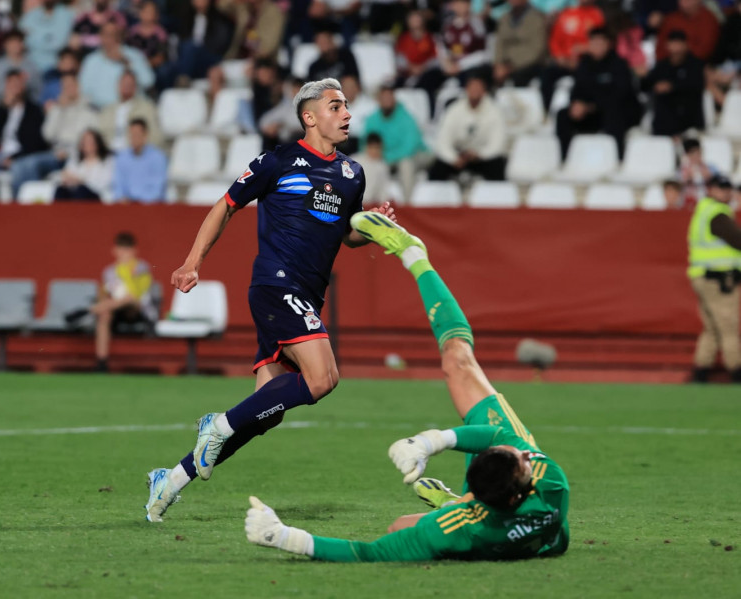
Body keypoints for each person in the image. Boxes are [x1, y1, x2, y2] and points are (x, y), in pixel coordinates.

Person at [245, 212, 570, 561]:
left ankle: (452, 500)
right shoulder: (548, 482)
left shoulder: (465, 529)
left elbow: (369, 553)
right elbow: (497, 439)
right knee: (458, 360)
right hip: (529, 529)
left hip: (481, 514)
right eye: (521, 457)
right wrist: (432, 442)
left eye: (519, 459)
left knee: (400, 528)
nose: (525, 453)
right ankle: (413, 252)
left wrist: (283, 536)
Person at [145, 78, 393, 523]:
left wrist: (372, 227)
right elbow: (225, 205)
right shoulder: (277, 161)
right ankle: (215, 425)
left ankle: (170, 479)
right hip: (277, 286)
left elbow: (345, 234)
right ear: (309, 116)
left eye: (347, 106)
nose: (347, 114)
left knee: (263, 413)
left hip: (307, 298)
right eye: (336, 106)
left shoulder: (352, 174)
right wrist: (191, 262)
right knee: (323, 379)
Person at [65, 231, 158, 371]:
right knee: (104, 315)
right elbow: (105, 293)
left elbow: (136, 294)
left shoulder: (141, 268)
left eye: (127, 250)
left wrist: (126, 269)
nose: (123, 253)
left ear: (134, 250)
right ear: (114, 250)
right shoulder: (109, 272)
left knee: (128, 298)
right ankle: (101, 362)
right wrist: (104, 301)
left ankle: (87, 311)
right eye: (121, 249)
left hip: (138, 309)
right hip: (116, 308)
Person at [687, 175, 741, 383]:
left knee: (711, 328)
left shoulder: (704, 210)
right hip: (718, 279)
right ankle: (736, 370)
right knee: (728, 327)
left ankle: (701, 371)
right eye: (722, 188)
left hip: (704, 276)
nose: (726, 193)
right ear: (711, 189)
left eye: (728, 189)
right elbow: (737, 240)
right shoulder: (717, 214)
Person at [555, 28, 640, 159]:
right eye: (593, 42)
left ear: (609, 44)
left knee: (614, 114)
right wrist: (577, 104)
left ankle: (617, 158)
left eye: (600, 43)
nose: (597, 46)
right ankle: (564, 157)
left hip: (618, 111)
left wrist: (591, 106)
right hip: (592, 113)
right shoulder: (585, 64)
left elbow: (621, 94)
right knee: (563, 115)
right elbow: (578, 89)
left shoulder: (619, 64)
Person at [11, 72, 97, 192]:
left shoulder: (88, 112)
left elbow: (88, 140)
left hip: (74, 156)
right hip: (54, 154)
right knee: (18, 165)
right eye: (64, 86)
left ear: (78, 86)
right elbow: (47, 135)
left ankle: (30, 206)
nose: (67, 89)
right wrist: (59, 110)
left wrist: (69, 151)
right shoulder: (58, 109)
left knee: (31, 165)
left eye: (70, 85)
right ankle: (19, 204)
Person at [430, 74, 506, 182]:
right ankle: (435, 197)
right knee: (437, 168)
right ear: (466, 90)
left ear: (484, 91)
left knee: (497, 166)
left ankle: (497, 197)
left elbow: (497, 143)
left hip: (482, 157)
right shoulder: (454, 110)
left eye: (478, 88)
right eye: (472, 88)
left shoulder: (494, 112)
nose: (475, 91)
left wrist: (480, 155)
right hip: (459, 155)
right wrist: (453, 158)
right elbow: (443, 140)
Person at [361, 84, 429, 202]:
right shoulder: (372, 120)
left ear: (394, 99)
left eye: (389, 98)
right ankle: (368, 202)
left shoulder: (406, 117)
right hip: (384, 157)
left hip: (415, 155)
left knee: (406, 164)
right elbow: (365, 143)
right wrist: (377, 156)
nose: (387, 101)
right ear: (379, 100)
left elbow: (409, 147)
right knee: (366, 162)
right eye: (384, 98)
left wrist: (385, 157)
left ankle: (407, 206)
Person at [540, 0, 605, 110]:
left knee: (585, 77)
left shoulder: (597, 15)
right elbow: (555, 40)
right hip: (564, 60)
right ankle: (546, 110)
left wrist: (583, 50)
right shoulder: (567, 13)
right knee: (547, 75)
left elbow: (601, 42)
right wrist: (559, 56)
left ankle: (578, 109)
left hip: (585, 61)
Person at [78, 20, 154, 108]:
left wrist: (127, 63)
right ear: (100, 36)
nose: (108, 38)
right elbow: (83, 90)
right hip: (99, 110)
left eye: (112, 35)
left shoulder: (134, 55)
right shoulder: (91, 60)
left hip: (130, 109)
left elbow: (148, 81)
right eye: (105, 34)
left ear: (119, 36)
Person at [644, 30, 705, 138]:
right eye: (673, 43)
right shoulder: (662, 66)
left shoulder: (695, 65)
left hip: (689, 119)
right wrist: (654, 84)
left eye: (679, 44)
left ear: (686, 45)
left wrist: (672, 86)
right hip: (664, 121)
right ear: (667, 45)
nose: (676, 48)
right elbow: (646, 84)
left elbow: (696, 85)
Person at [97, 69, 163, 152]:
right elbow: (99, 136)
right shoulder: (107, 110)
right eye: (124, 83)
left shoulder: (147, 108)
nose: (126, 86)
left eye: (129, 84)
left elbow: (156, 136)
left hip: (136, 154)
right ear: (118, 85)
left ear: (135, 87)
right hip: (109, 154)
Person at [492, 0, 548, 88]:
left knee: (520, 77)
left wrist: (510, 67)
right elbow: (499, 44)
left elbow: (537, 50)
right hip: (505, 64)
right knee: (483, 74)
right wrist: (498, 64)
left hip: (529, 64)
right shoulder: (504, 18)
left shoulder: (537, 18)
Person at [111, 118, 167, 203]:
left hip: (150, 206)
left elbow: (157, 190)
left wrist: (139, 201)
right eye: (132, 135)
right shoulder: (122, 157)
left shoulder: (158, 158)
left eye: (137, 135)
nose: (134, 138)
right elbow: (118, 186)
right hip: (127, 206)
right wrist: (122, 198)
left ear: (145, 135)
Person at [394, 10, 443, 101]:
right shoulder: (403, 39)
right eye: (412, 20)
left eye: (417, 19)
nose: (415, 23)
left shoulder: (431, 38)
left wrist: (423, 68)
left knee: (429, 81)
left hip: (427, 74)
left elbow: (437, 59)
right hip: (408, 74)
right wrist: (411, 67)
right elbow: (399, 58)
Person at [54, 128, 115, 201]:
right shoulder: (75, 160)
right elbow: (66, 176)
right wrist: (67, 179)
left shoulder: (107, 160)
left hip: (95, 197)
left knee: (82, 190)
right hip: (74, 194)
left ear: (97, 143)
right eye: (84, 141)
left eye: (90, 141)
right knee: (61, 190)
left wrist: (81, 181)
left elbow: (104, 183)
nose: (87, 144)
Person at [19, 0, 76, 74]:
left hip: (59, 66)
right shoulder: (30, 16)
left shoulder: (68, 15)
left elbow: (68, 41)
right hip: (33, 65)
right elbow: (22, 39)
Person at [0, 30, 42, 105]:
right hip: (1, 105)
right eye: (12, 42)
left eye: (18, 42)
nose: (15, 45)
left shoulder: (31, 66)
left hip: (25, 106)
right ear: (5, 45)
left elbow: (37, 90)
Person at [655, 0, 720, 63]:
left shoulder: (708, 20)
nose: (684, 1)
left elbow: (705, 52)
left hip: (697, 67)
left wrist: (683, 49)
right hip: (668, 67)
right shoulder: (670, 19)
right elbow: (660, 51)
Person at [351, 132, 390, 205]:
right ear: (366, 147)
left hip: (370, 205)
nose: (375, 151)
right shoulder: (354, 161)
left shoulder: (382, 166)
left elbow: (383, 189)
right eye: (372, 148)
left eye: (377, 148)